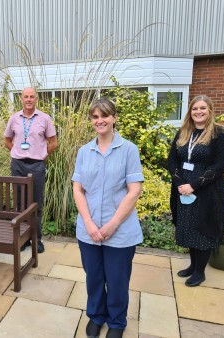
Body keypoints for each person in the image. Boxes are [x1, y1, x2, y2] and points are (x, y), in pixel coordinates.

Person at [72, 98, 143, 338]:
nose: (99, 120)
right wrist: (90, 224)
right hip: (88, 231)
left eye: (104, 116)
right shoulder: (84, 151)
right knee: (94, 277)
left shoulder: (129, 150)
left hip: (120, 231)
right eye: (94, 117)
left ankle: (116, 322)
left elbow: (134, 190)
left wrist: (112, 224)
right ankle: (96, 315)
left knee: (117, 280)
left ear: (114, 118)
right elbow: (77, 189)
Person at [167, 95, 224, 287]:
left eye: (202, 108)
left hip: (206, 191)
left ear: (210, 110)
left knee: (202, 229)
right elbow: (172, 160)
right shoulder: (184, 132)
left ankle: (199, 272)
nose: (198, 112)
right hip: (182, 189)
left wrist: (193, 185)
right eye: (195, 109)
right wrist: (180, 182)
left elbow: (220, 166)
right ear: (190, 111)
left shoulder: (220, 135)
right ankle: (193, 266)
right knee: (188, 227)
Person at [4, 87, 57, 254]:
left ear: (36, 99)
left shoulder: (44, 118)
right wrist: (18, 152)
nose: (28, 99)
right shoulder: (14, 118)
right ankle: (22, 239)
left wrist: (40, 154)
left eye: (31, 97)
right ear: (21, 99)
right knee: (19, 204)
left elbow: (53, 142)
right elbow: (7, 140)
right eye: (26, 96)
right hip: (18, 165)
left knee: (36, 204)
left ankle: (36, 239)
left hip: (36, 166)